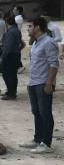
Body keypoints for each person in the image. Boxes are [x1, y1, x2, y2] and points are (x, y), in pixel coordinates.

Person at [18, 18, 59, 153]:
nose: (27, 29)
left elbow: (54, 64)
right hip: (33, 82)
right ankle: (38, 139)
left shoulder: (49, 42)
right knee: (36, 112)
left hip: (43, 83)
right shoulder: (35, 43)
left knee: (45, 113)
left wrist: (49, 83)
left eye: (30, 26)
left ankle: (46, 143)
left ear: (37, 27)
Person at [0, 14, 24, 100]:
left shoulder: (10, 32)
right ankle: (12, 92)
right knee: (13, 75)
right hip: (16, 55)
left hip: (9, 56)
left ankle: (11, 93)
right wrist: (17, 50)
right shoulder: (17, 31)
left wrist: (2, 57)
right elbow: (22, 44)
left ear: (6, 23)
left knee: (7, 75)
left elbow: (7, 47)